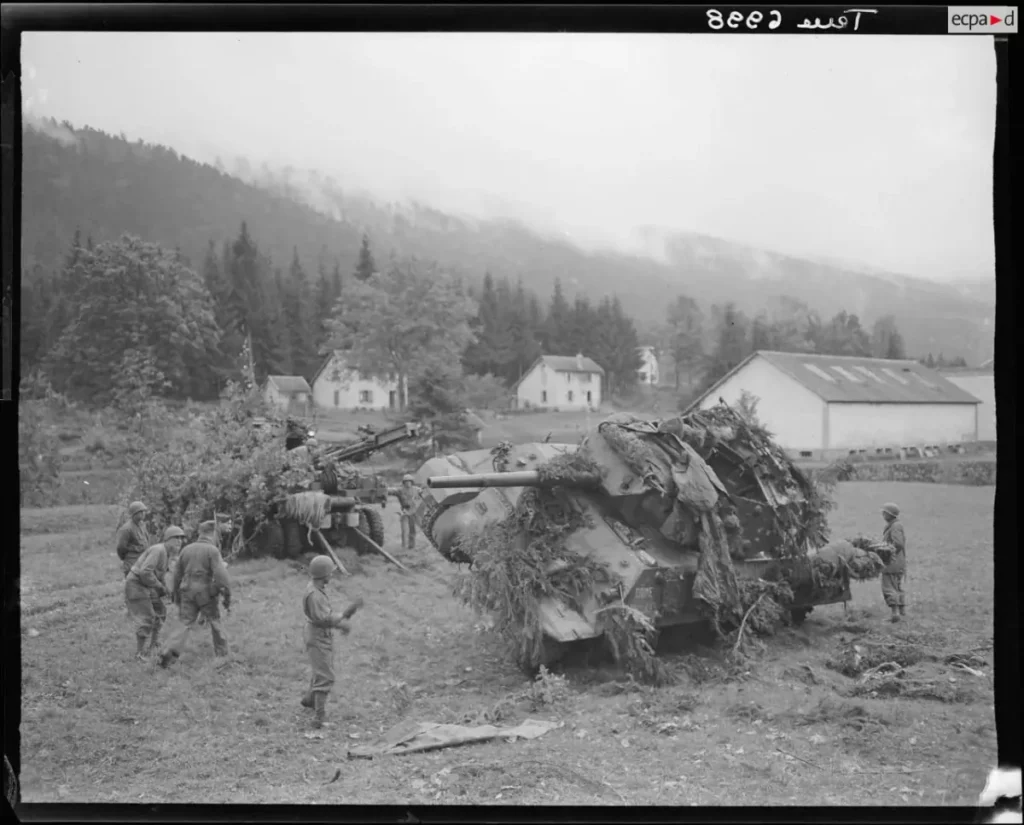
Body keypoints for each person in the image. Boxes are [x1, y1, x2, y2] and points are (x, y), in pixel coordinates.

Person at [158, 520, 232, 667]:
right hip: (205, 591)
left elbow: (177, 574)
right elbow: (221, 576)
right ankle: (222, 654)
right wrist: (226, 595)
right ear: (213, 533)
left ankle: (169, 651)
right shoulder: (212, 550)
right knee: (215, 621)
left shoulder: (186, 549)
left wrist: (176, 594)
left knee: (184, 623)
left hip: (186, 590)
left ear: (200, 533)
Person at [301, 555, 363, 729]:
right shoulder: (315, 595)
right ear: (324, 575)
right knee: (325, 675)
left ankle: (310, 700)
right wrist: (343, 618)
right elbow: (323, 619)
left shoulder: (315, 589)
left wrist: (343, 617)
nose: (332, 575)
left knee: (320, 669)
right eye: (330, 572)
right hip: (318, 634)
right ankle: (319, 718)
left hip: (318, 633)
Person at [125, 526, 185, 660]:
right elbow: (145, 572)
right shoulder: (158, 550)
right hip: (136, 584)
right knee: (147, 617)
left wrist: (167, 590)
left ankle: (154, 644)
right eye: (176, 538)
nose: (179, 541)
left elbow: (161, 575)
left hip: (147, 584)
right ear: (167, 539)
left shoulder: (168, 555)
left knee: (161, 611)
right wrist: (159, 586)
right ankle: (139, 653)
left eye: (181, 538)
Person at [879, 502, 907, 622]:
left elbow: (898, 543)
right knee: (897, 586)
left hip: (892, 562)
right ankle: (901, 612)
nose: (883, 514)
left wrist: (887, 552)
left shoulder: (895, 527)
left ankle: (895, 613)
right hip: (899, 562)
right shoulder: (895, 525)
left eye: (884, 513)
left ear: (890, 514)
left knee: (888, 586)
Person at [116, 501, 152, 579]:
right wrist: (127, 558)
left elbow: (146, 540)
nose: (143, 513)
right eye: (140, 512)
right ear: (134, 514)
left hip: (143, 562)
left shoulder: (142, 525)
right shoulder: (127, 528)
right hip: (131, 564)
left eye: (144, 511)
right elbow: (121, 547)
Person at [390, 474, 420, 550]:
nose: (408, 483)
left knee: (412, 530)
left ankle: (412, 546)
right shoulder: (400, 490)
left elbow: (425, 492)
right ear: (403, 482)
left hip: (413, 512)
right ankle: (404, 546)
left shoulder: (417, 490)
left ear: (412, 482)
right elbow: (391, 491)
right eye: (406, 481)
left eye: (409, 481)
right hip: (404, 512)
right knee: (404, 530)